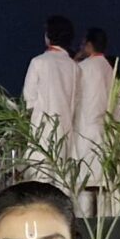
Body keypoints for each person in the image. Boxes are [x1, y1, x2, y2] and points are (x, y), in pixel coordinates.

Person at [69, 27, 116, 201]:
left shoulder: (82, 68)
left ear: (88, 45)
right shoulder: (109, 69)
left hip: (84, 132)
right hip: (104, 134)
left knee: (83, 188)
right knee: (101, 189)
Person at [23, 15, 78, 156]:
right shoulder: (74, 67)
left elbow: (28, 99)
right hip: (66, 132)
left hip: (41, 131)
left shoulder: (38, 62)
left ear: (49, 36)